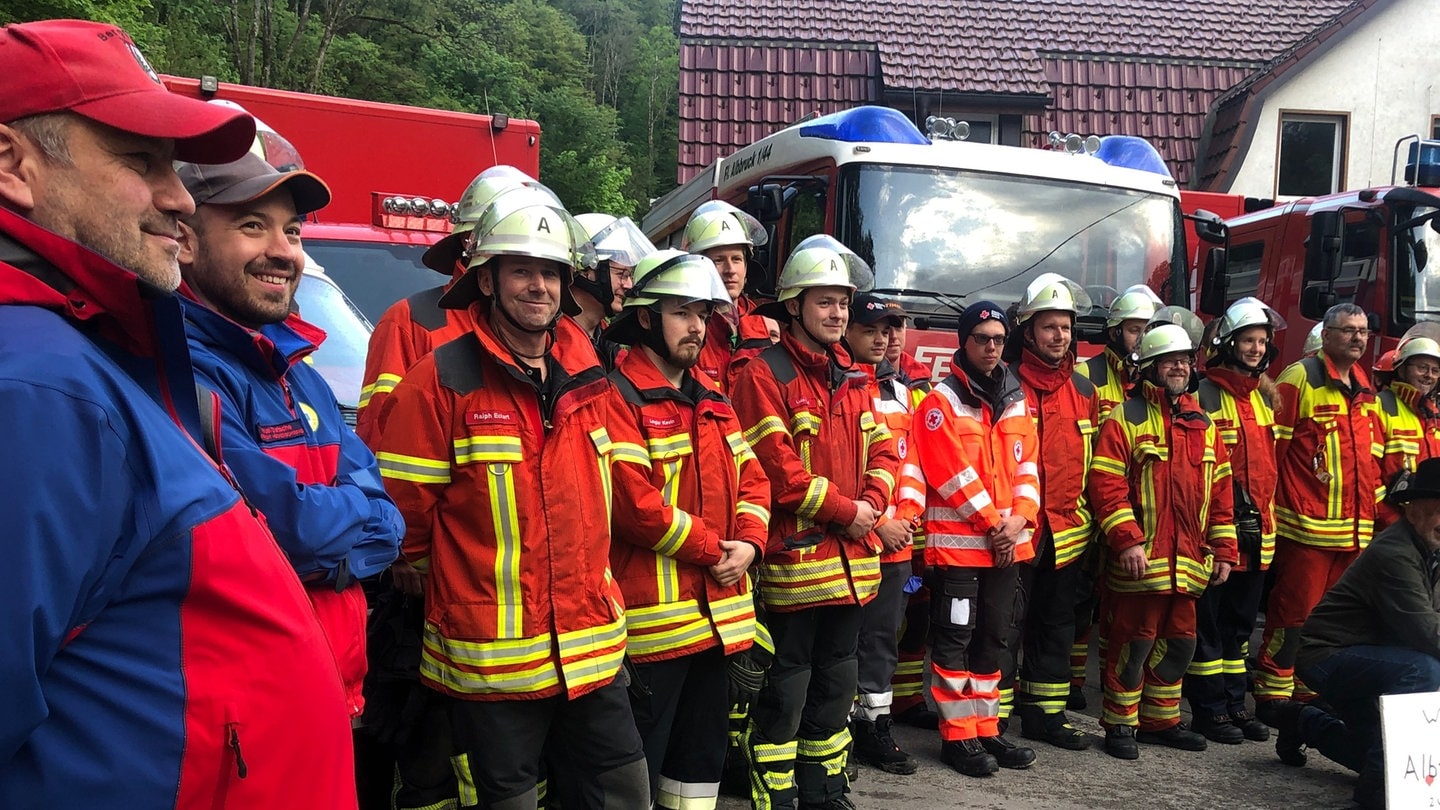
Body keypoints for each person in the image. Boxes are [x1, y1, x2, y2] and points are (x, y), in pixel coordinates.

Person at [0, 19, 357, 807]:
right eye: (140, 161)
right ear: (12, 166)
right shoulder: (34, 387)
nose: (177, 199)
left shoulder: (90, 354)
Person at [376, 199, 680, 808]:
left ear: (567, 284)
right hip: (492, 661)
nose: (537, 285)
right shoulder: (442, 380)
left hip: (592, 648)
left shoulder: (588, 373)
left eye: (550, 272)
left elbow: (613, 489)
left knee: (624, 792)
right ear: (485, 279)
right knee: (509, 799)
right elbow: (405, 512)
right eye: (520, 270)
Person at [175, 151, 404, 718]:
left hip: (328, 686)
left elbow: (391, 522)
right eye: (253, 225)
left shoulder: (297, 371)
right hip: (243, 709)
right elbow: (284, 532)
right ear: (184, 239)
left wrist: (331, 540)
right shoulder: (181, 370)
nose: (283, 250)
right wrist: (347, 534)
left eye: (293, 230)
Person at [729, 235, 897, 810]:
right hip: (796, 565)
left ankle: (825, 786)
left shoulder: (853, 374)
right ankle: (774, 790)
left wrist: (873, 501)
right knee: (788, 684)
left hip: (853, 566)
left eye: (843, 303)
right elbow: (777, 473)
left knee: (838, 681)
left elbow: (885, 451)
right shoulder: (761, 375)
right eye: (824, 301)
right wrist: (852, 514)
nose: (837, 314)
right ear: (794, 305)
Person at [601, 249, 771, 809]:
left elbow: (754, 478)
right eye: (682, 312)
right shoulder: (617, 397)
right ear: (647, 317)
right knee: (639, 774)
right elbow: (633, 505)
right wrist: (713, 548)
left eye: (702, 313)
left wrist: (749, 542)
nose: (697, 326)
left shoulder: (714, 398)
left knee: (698, 771)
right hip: (655, 633)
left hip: (719, 621)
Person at [1087, 322, 1238, 760]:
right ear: (1149, 366)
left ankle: (1160, 721)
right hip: (1141, 560)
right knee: (1133, 643)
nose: (1179, 366)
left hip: (1190, 562)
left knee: (1179, 645)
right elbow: (1107, 485)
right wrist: (1127, 540)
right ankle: (1120, 723)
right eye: (1170, 360)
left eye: (1185, 360)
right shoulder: (1126, 417)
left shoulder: (1204, 424)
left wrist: (1225, 550)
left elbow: (1222, 490)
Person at [902, 301, 1039, 776]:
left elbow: (1028, 469)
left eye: (999, 340)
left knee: (994, 638)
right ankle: (956, 738)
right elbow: (951, 474)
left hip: (1007, 546)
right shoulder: (940, 401)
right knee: (954, 638)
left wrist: (1019, 521)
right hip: (964, 548)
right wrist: (994, 525)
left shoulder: (1016, 396)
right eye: (982, 339)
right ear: (964, 340)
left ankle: (986, 729)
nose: (991, 347)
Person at [1275, 456, 1440, 809]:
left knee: (1380, 755)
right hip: (1330, 654)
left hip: (1382, 660)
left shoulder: (1432, 547)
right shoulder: (1395, 553)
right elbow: (1427, 633)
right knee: (1424, 669)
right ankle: (1374, 797)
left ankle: (1304, 721)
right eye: (1439, 509)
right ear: (1412, 509)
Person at [357, 166, 550, 445]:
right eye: (510, 239)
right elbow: (381, 433)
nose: (537, 282)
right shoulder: (411, 321)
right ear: (469, 240)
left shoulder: (555, 330)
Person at [1256, 303, 1382, 722]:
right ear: (1326, 335)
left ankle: (1309, 687)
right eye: (1348, 330)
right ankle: (1274, 690)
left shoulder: (1363, 383)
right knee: (1294, 612)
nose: (1358, 339)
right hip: (1308, 527)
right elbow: (1274, 450)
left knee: (1331, 620)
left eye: (1363, 331)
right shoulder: (1301, 377)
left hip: (1353, 531)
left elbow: (1369, 457)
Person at [1184, 298, 1283, 745]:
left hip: (1259, 533)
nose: (1256, 348)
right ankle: (1209, 711)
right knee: (1208, 626)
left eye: (1262, 341)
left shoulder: (1263, 396)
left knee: (1240, 629)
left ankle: (1233, 705)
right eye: (1248, 340)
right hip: (1218, 533)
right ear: (1228, 343)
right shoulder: (1203, 393)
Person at [1008, 274, 1100, 752]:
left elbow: (1102, 466)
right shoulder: (1006, 384)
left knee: (1056, 626)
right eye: (1049, 327)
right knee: (1005, 626)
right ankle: (995, 719)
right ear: (1028, 331)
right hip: (1015, 530)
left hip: (1067, 532)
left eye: (1065, 327)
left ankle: (1045, 714)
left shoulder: (1085, 392)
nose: (1059, 336)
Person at [846, 293, 923, 775]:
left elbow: (912, 464)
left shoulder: (903, 392)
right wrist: (881, 526)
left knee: (881, 642)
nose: (887, 337)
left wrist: (907, 520)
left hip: (894, 545)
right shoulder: (845, 389)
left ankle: (874, 727)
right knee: (841, 643)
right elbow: (844, 473)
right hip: (854, 539)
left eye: (894, 329)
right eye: (876, 328)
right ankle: (837, 732)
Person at [682, 200, 775, 389]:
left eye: (737, 259)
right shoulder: (683, 328)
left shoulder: (766, 327)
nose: (730, 270)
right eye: (719, 260)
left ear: (747, 266)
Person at [1375, 337, 1440, 529]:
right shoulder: (1379, 406)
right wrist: (1392, 524)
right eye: (1422, 367)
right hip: (1391, 527)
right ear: (1402, 370)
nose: (1429, 375)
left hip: (1428, 527)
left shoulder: (1433, 415)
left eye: (1435, 370)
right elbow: (1368, 476)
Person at [573, 212, 651, 369]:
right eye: (622, 274)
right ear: (586, 270)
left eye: (630, 275)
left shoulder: (605, 342)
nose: (629, 285)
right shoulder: (552, 343)